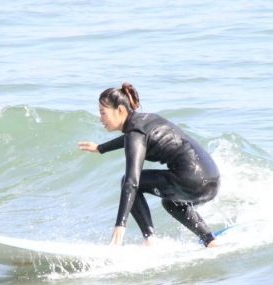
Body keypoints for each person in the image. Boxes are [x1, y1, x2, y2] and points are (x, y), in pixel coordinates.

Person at [78, 82, 220, 247]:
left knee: (127, 181)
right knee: (171, 202)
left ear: (120, 111)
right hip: (211, 181)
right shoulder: (146, 120)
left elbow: (132, 182)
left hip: (192, 180)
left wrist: (120, 224)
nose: (100, 118)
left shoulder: (135, 133)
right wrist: (100, 148)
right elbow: (133, 139)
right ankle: (210, 241)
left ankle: (150, 239)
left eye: (103, 113)